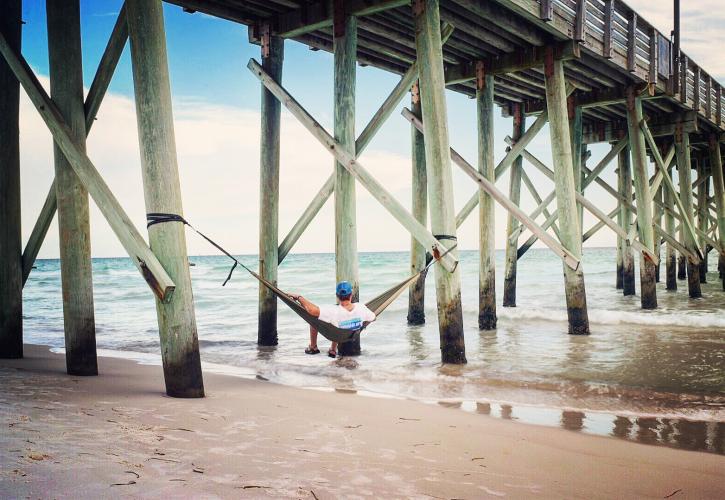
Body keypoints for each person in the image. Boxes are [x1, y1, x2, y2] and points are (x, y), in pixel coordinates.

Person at [289, 281, 376, 358]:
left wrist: (299, 297)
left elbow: (312, 310)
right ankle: (332, 349)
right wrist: (362, 326)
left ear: (337, 296)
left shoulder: (333, 311)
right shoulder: (361, 308)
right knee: (337, 324)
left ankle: (313, 347)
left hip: (336, 334)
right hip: (352, 334)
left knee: (314, 319)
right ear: (351, 295)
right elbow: (373, 317)